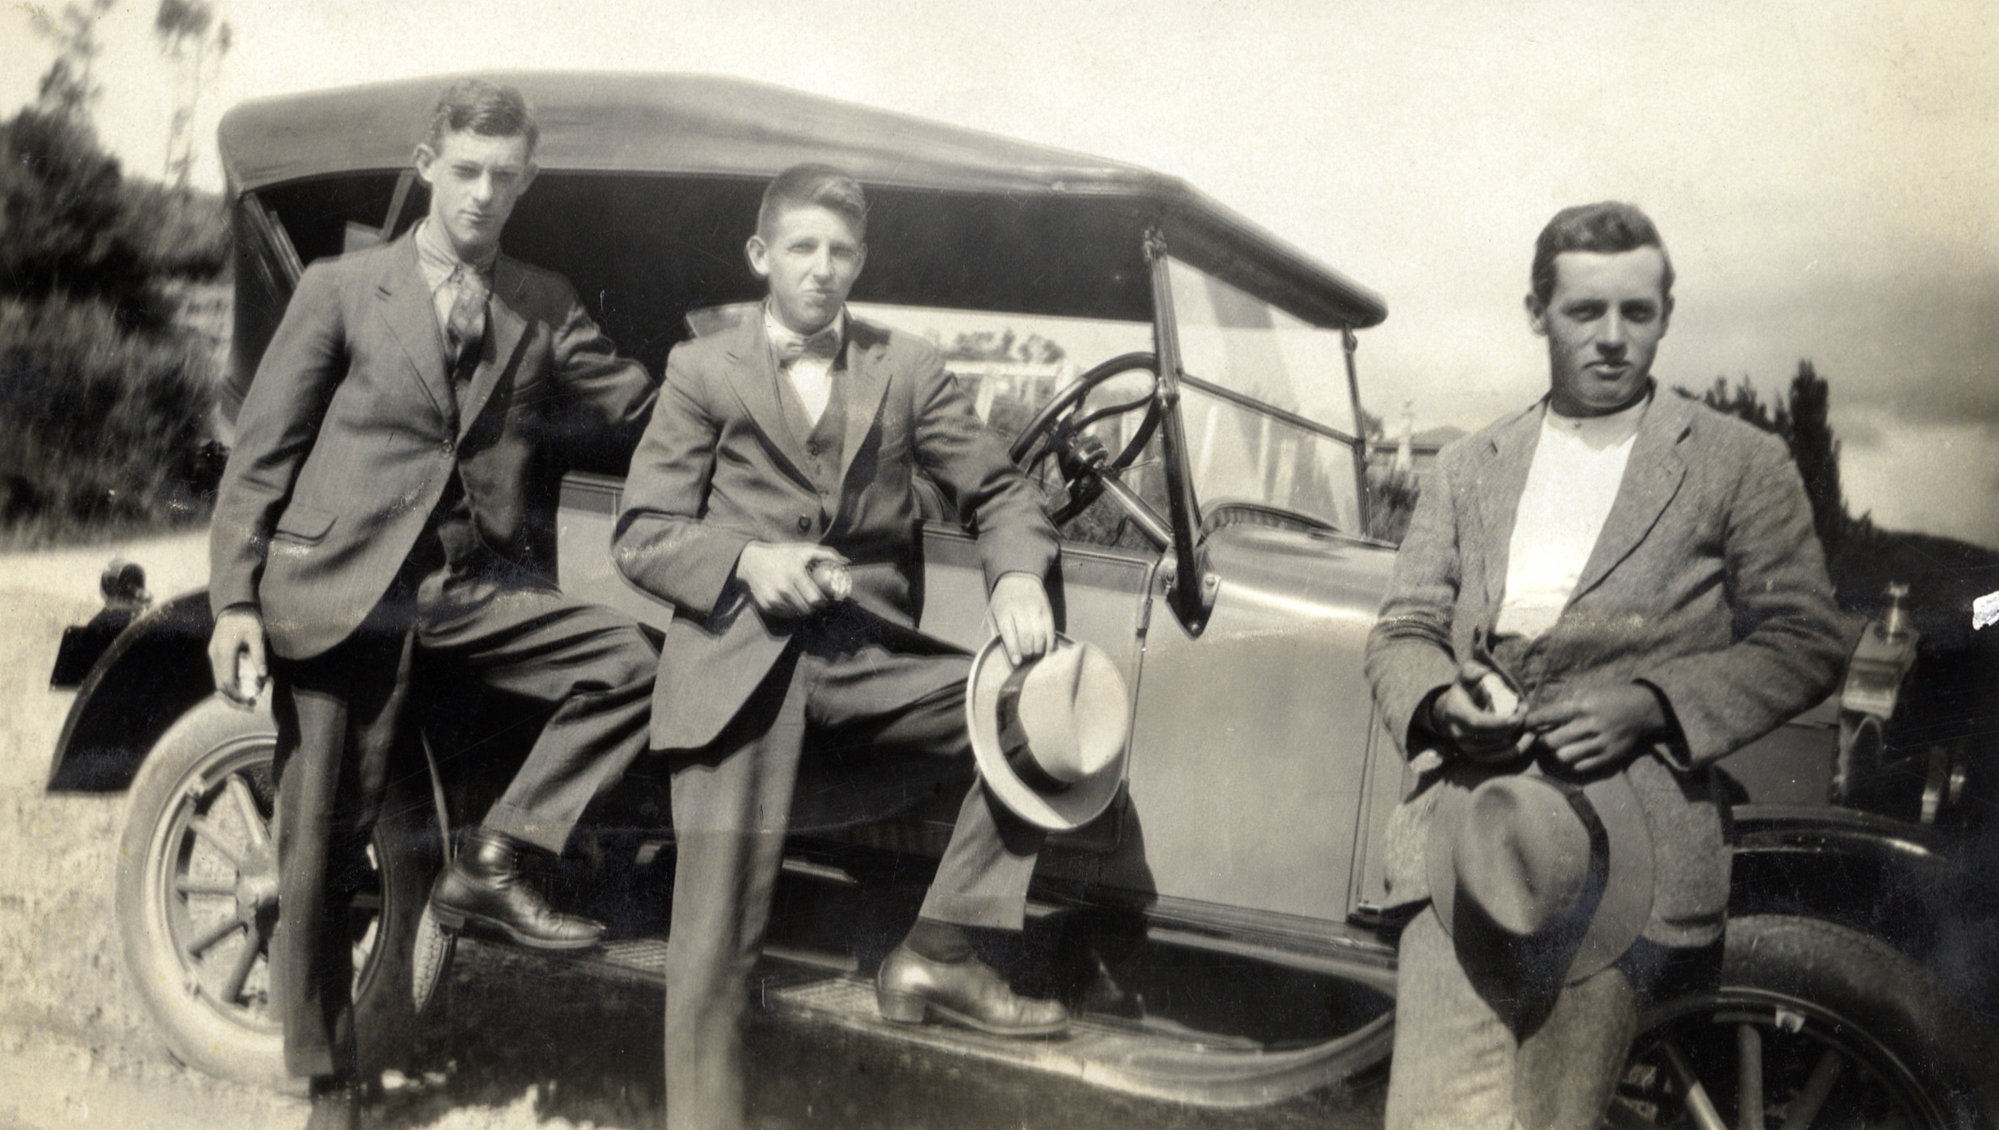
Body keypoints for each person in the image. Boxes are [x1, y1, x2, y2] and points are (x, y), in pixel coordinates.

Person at [205, 79, 659, 1130]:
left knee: (627, 660)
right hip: (341, 590)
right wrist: (234, 600)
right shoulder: (341, 286)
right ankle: (329, 1080)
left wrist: (767, 385)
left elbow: (637, 401)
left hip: (467, 587)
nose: (483, 195)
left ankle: (488, 858)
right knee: (317, 849)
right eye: (466, 172)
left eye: (505, 178)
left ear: (527, 181)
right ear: (428, 165)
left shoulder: (543, 299)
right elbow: (260, 456)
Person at [1363, 202, 1851, 1129]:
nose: (1614, 338)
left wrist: (1652, 704)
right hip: (1468, 838)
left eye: (1638, 312)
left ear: (1667, 313)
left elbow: (1806, 638)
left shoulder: (1740, 464)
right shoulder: (1469, 466)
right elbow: (1402, 629)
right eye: (1586, 312)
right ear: (1535, 312)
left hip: (1620, 856)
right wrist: (1438, 703)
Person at [614, 164, 1066, 1130]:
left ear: (861, 260)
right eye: (803, 248)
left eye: (842, 251)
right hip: (736, 669)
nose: (822, 270)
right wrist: (745, 561)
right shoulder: (702, 369)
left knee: (1051, 713)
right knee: (717, 950)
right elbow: (643, 534)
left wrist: (1017, 574)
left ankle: (940, 949)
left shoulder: (908, 368)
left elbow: (999, 492)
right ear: (762, 256)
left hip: (866, 664)